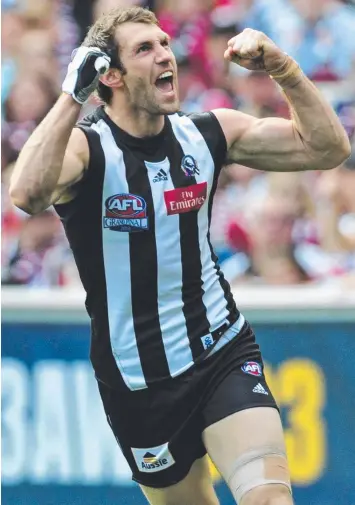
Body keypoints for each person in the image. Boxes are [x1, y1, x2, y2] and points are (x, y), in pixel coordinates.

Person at [9, 6, 350, 505]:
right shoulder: (89, 150)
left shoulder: (207, 134)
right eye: (144, 49)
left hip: (221, 350)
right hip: (137, 380)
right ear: (112, 75)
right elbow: (26, 193)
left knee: (270, 499)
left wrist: (283, 68)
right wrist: (71, 95)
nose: (165, 54)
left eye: (164, 43)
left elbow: (327, 148)